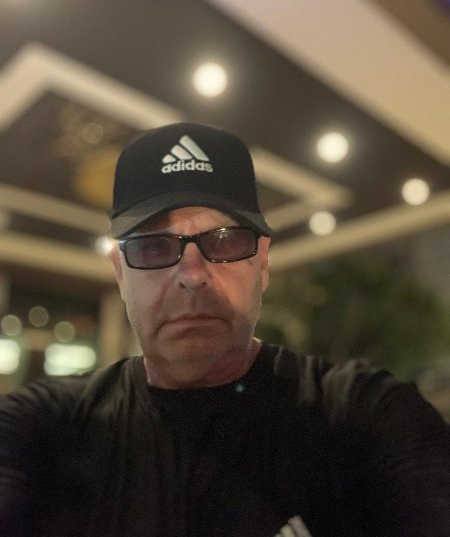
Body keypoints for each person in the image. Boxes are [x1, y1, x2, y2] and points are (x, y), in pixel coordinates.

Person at [0, 122, 449, 537]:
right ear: (120, 273)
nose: (192, 275)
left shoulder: (360, 416)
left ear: (263, 262)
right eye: (153, 247)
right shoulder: (47, 428)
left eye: (225, 240)